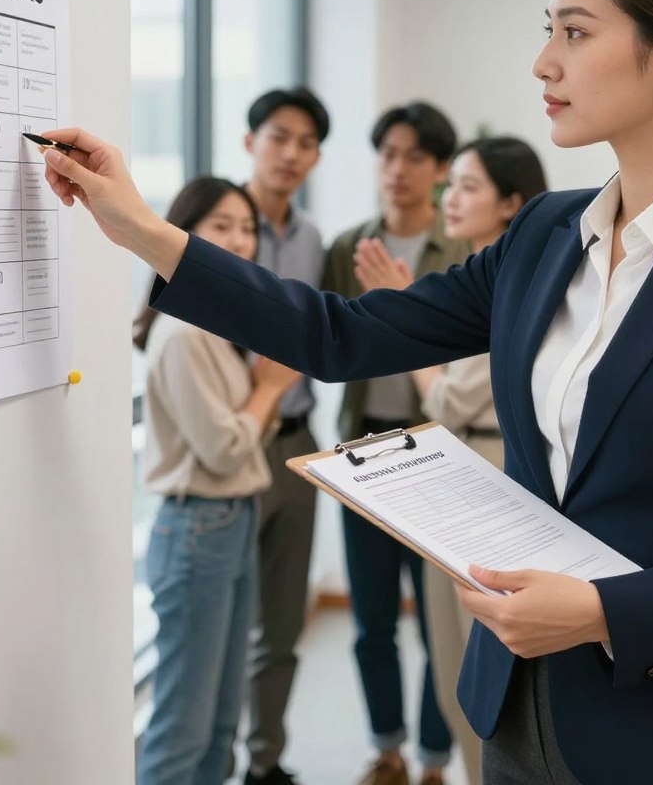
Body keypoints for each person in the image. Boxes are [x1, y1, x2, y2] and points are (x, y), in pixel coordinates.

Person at [39, 0, 653, 785]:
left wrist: (604, 610)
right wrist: (143, 231)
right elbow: (341, 333)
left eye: (575, 32)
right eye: (548, 30)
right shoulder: (545, 233)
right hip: (515, 711)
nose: (543, 62)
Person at [353, 136, 547, 785]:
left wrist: (402, 315)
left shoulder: (516, 285)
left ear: (511, 203)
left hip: (485, 477)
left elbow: (447, 396)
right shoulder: (479, 277)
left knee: (472, 664)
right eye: (451, 185)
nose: (449, 199)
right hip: (461, 468)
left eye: (467, 185)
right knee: (447, 660)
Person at [132, 177, 301, 785]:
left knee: (220, 724)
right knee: (184, 729)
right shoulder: (183, 332)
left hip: (229, 520)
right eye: (221, 226)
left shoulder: (213, 323)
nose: (239, 240)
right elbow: (226, 449)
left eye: (247, 228)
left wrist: (262, 392)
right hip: (198, 527)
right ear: (184, 234)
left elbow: (239, 437)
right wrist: (269, 389)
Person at [321, 101, 469, 785]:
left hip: (437, 457)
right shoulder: (347, 247)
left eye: (415, 156)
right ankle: (387, 749)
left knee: (439, 623)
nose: (398, 169)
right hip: (360, 453)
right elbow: (324, 337)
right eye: (388, 154)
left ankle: (435, 759)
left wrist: (404, 303)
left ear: (440, 170)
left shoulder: (461, 251)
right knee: (371, 619)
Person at [240, 87, 330, 785]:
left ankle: (264, 761)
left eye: (306, 143)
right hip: (233, 442)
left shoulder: (311, 240)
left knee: (281, 622)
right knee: (223, 624)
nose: (291, 153)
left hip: (298, 441)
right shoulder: (215, 223)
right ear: (250, 142)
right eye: (278, 137)